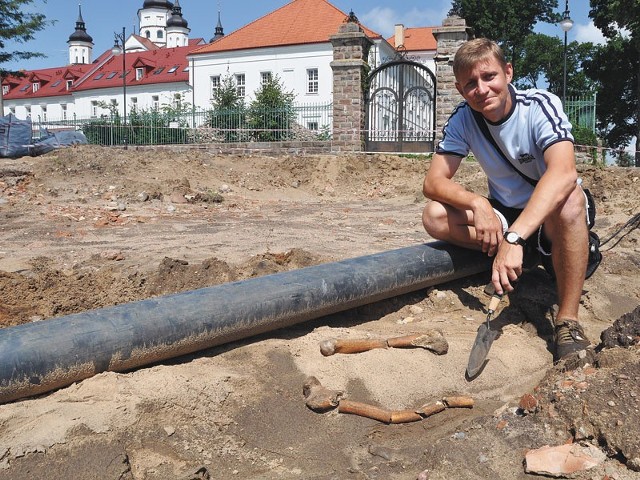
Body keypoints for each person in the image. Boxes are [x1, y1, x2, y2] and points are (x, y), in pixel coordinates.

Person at [421, 38, 591, 361]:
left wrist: (515, 236)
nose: (482, 89)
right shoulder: (464, 119)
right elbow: (433, 182)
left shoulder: (539, 106)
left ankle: (568, 321)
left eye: (489, 77)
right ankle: (516, 254)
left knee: (571, 201)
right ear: (460, 90)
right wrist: (477, 203)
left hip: (549, 213)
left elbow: (564, 173)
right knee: (434, 216)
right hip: (505, 212)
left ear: (508, 72)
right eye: (470, 83)